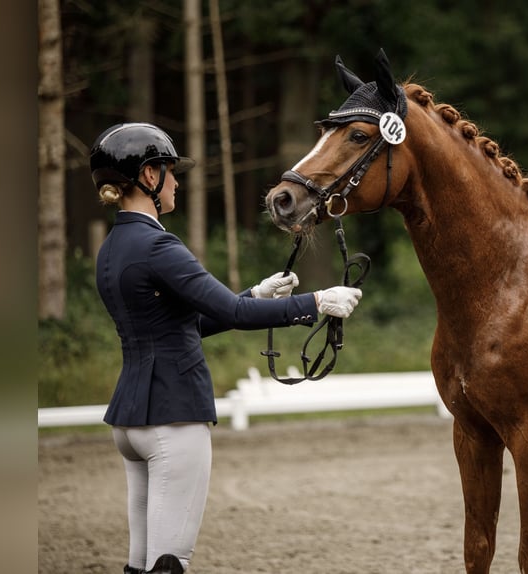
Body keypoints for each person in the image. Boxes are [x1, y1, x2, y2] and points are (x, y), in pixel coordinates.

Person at [89, 122, 362, 574]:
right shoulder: (160, 245)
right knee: (169, 562)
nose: (177, 182)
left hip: (130, 419)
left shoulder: (113, 248)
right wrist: (315, 301)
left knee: (139, 563)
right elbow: (232, 314)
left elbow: (184, 323)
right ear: (150, 176)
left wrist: (255, 294)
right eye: (171, 172)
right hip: (173, 417)